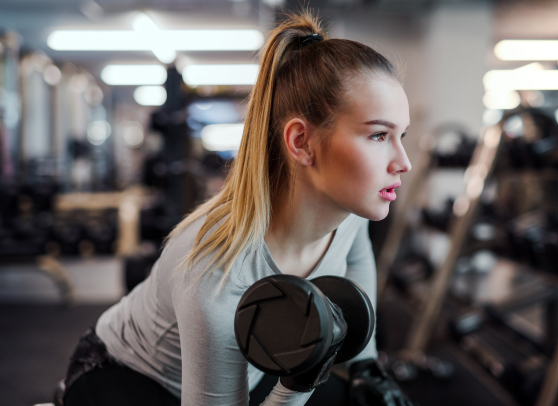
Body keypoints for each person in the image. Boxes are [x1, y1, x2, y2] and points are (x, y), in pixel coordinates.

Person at [62, 10, 412, 406]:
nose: (404, 161)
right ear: (301, 142)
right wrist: (297, 385)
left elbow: (358, 261)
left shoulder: (347, 214)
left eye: (402, 135)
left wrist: (365, 366)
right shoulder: (217, 267)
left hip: (245, 370)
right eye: (379, 135)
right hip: (127, 376)